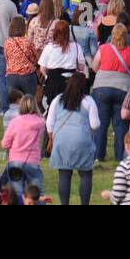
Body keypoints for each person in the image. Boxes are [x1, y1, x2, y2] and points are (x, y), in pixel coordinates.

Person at [47, 72, 99, 206]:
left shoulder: (58, 99)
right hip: (81, 138)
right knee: (85, 174)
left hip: (61, 139)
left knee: (64, 174)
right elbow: (95, 124)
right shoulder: (88, 101)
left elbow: (49, 122)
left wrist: (52, 136)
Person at [1, 95, 46, 199]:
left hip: (16, 160)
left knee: (17, 195)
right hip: (33, 160)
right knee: (37, 195)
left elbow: (4, 144)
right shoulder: (40, 123)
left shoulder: (15, 122)